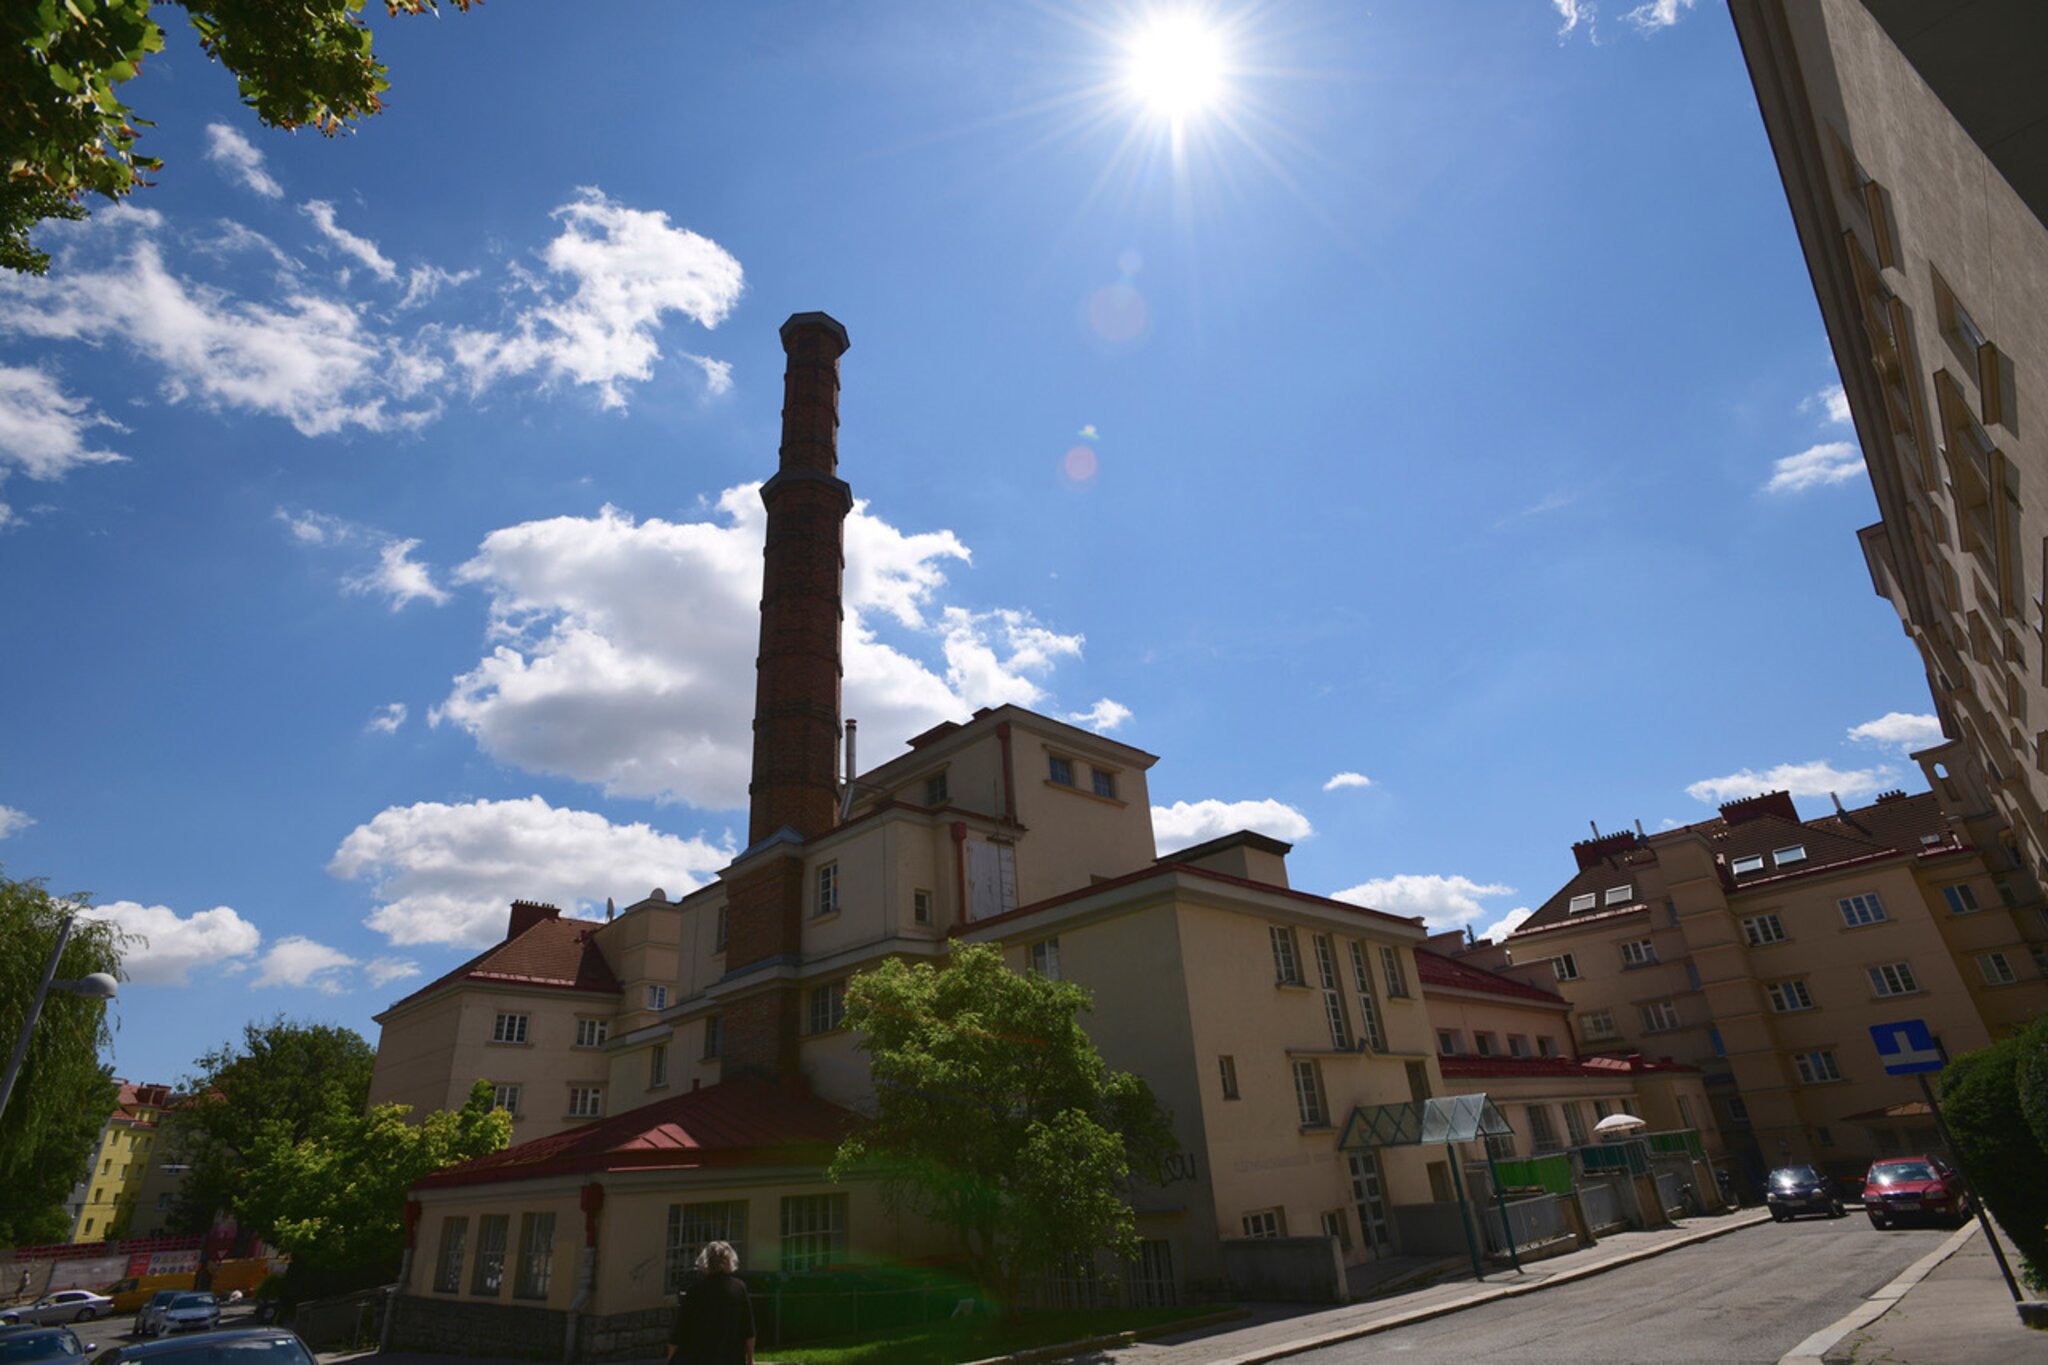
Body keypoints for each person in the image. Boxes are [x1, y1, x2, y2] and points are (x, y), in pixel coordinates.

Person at [666, 1241, 754, 1365]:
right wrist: (750, 1358)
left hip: (699, 1356)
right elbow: (748, 1329)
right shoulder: (739, 1288)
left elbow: (680, 1329)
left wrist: (670, 1357)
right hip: (731, 1356)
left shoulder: (695, 1290)